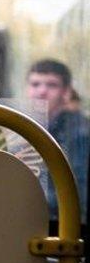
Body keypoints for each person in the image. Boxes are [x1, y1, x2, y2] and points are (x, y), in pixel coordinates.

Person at [26, 59, 89, 223]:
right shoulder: (26, 126)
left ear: (66, 92)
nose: (42, 91)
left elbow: (76, 192)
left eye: (51, 85)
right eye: (35, 84)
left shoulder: (79, 133)